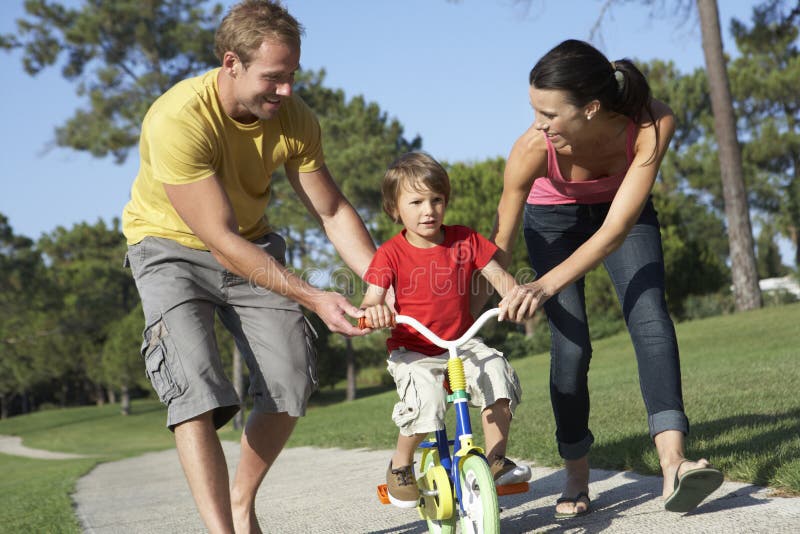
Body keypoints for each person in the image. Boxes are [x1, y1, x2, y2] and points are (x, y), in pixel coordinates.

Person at [121, 1, 376, 532]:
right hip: (169, 248)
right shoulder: (179, 119)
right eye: (273, 78)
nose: (285, 91)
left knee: (290, 377)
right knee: (194, 389)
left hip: (251, 245)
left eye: (292, 77)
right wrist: (315, 295)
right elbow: (217, 238)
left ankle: (242, 502)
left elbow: (330, 210)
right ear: (231, 63)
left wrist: (382, 280)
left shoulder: (294, 117)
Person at [493, 39, 723, 517]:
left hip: (622, 214)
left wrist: (544, 284)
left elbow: (615, 230)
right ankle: (577, 474)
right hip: (551, 220)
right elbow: (500, 242)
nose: (539, 124)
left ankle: (674, 465)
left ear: (592, 108)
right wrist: (497, 290)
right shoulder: (532, 148)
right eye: (535, 110)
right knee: (572, 345)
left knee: (650, 317)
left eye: (551, 114)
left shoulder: (652, 123)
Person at [359, 152, 534, 508]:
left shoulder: (464, 240)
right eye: (417, 202)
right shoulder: (389, 254)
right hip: (413, 350)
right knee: (428, 397)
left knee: (496, 372)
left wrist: (514, 297)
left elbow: (500, 277)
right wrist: (373, 311)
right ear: (395, 210)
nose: (429, 210)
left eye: (436, 200)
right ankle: (401, 465)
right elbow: (371, 298)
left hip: (462, 342)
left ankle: (496, 459)